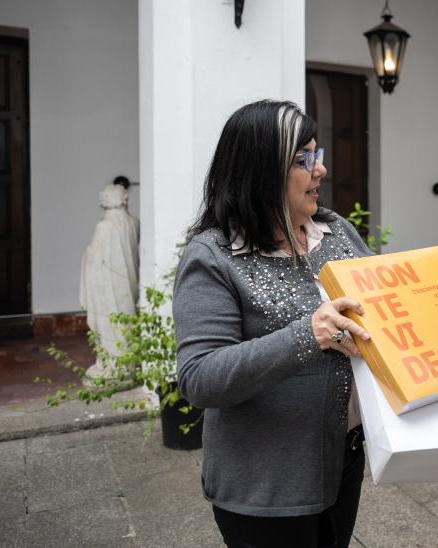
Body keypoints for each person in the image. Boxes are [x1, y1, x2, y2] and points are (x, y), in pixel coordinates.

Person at [173, 100, 374, 548]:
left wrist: (433, 290)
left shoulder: (334, 231)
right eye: (304, 159)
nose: (319, 170)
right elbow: (200, 378)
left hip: (342, 460)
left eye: (317, 155)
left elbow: (381, 299)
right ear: (261, 171)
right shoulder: (214, 258)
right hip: (264, 485)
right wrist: (308, 334)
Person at [80, 180, 139, 383]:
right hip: (128, 285)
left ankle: (114, 366)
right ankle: (128, 363)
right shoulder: (134, 223)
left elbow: (94, 257)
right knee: (125, 321)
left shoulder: (104, 226)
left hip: (108, 286)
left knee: (109, 322)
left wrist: (86, 256)